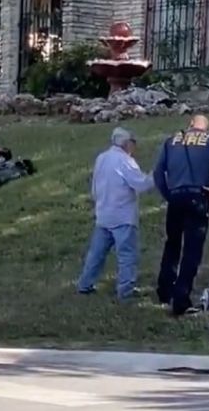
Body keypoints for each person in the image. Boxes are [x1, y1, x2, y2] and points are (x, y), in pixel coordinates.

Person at [153, 115, 209, 316]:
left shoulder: (171, 141)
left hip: (175, 197)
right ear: (205, 128)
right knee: (192, 250)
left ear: (190, 124)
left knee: (172, 244)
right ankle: (181, 300)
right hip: (197, 197)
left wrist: (168, 195)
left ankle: (165, 292)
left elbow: (158, 173)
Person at [76, 127, 156, 299]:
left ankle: (85, 284)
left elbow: (94, 187)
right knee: (126, 255)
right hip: (122, 216)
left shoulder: (101, 158)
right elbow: (141, 184)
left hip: (103, 214)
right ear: (126, 143)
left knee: (96, 254)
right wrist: (155, 176)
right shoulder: (125, 161)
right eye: (133, 143)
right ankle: (125, 291)